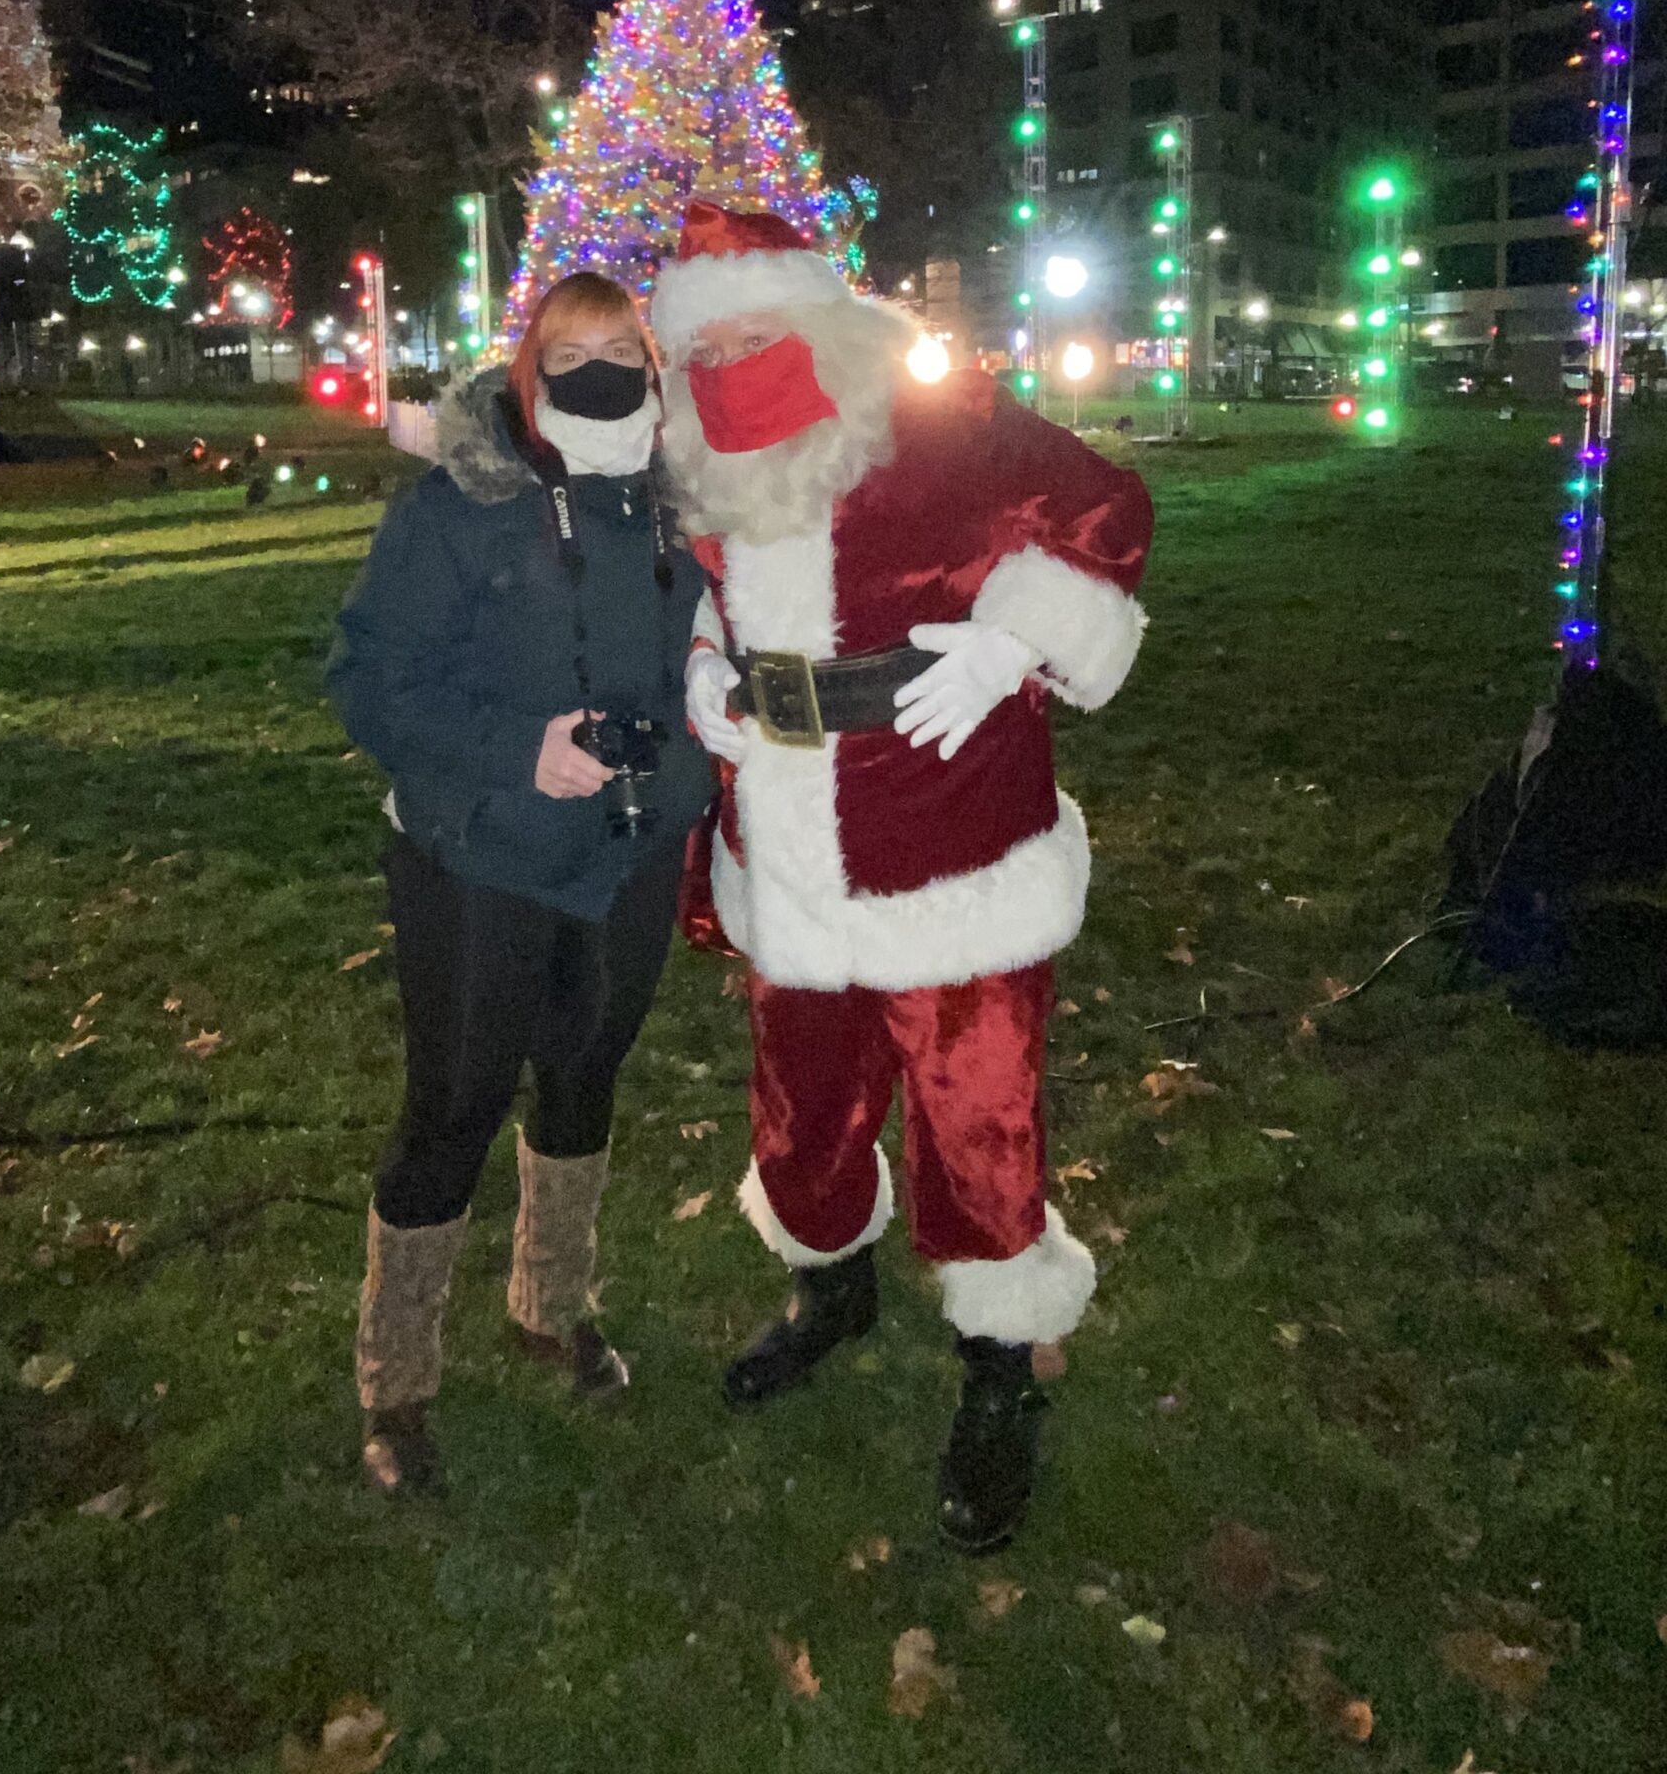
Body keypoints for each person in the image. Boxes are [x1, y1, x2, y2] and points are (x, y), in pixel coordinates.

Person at [653, 200, 1153, 1555]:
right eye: (717, 336)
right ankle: (834, 1291)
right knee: (804, 1110)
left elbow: (1109, 510)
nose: (743, 348)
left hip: (949, 841)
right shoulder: (694, 444)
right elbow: (702, 591)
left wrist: (1012, 641)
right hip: (787, 849)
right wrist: (705, 670)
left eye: (764, 322)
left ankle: (1002, 1371)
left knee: (975, 1122)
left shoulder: (941, 417)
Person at [326, 272, 713, 1495]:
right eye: (569, 351)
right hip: (479, 854)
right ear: (527, 370)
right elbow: (371, 680)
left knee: (586, 1067)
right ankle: (397, 1382)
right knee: (456, 1102)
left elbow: (716, 658)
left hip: (629, 851)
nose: (599, 371)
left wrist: (708, 746)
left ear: (654, 367)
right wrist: (518, 750)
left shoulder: (682, 505)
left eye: (622, 349)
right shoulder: (459, 504)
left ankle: (553, 1302)